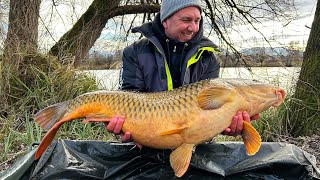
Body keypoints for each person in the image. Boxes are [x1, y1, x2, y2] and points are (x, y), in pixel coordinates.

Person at [90, 0, 259, 143]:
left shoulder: (208, 57)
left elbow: (211, 111)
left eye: (197, 20)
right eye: (186, 20)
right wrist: (124, 128)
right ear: (165, 21)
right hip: (147, 142)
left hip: (193, 141)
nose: (193, 28)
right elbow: (128, 99)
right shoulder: (135, 52)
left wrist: (226, 125)